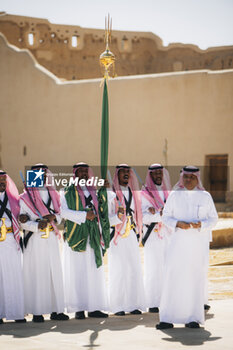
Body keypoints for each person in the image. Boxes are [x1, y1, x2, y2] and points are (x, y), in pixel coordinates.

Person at [156, 166, 218, 329]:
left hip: (197, 245)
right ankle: (167, 318)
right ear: (182, 178)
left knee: (193, 279)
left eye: (192, 177)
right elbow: (166, 216)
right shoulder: (175, 195)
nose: (188, 180)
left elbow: (213, 219)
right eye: (186, 177)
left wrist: (201, 224)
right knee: (173, 277)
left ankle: (193, 318)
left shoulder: (205, 196)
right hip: (177, 244)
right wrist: (178, 224)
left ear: (197, 179)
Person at [19, 164, 68, 322]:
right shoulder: (25, 198)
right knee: (37, 274)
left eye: (44, 173)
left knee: (54, 273)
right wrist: (35, 225)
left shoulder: (53, 194)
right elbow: (21, 221)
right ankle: (37, 312)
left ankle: (56, 311)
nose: (42, 176)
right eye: (38, 174)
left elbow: (60, 215)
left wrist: (54, 218)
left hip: (52, 238)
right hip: (35, 241)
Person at [60, 163, 109, 319]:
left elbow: (102, 207)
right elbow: (62, 212)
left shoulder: (94, 189)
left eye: (85, 171)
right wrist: (83, 216)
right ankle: (79, 308)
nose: (83, 174)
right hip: (76, 235)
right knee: (78, 272)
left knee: (93, 271)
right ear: (75, 173)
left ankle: (93, 307)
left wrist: (104, 190)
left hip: (93, 234)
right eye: (80, 172)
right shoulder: (67, 190)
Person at [108, 164, 145, 316]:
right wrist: (117, 217)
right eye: (122, 172)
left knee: (133, 269)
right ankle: (117, 306)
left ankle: (133, 304)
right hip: (117, 236)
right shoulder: (111, 195)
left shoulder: (133, 192)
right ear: (117, 174)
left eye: (127, 172)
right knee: (118, 270)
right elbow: (105, 219)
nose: (125, 174)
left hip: (131, 235)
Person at [141, 164, 171, 313]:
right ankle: (153, 302)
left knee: (167, 269)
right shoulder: (144, 194)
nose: (158, 176)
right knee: (153, 269)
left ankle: (167, 300)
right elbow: (144, 217)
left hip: (167, 235)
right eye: (155, 173)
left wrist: (161, 213)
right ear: (150, 175)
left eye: (160, 173)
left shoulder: (168, 193)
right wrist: (158, 214)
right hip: (152, 236)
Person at [0, 170, 25, 324]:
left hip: (11, 239)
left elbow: (23, 216)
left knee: (14, 276)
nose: (2, 182)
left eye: (3, 180)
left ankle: (16, 313)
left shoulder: (15, 200)